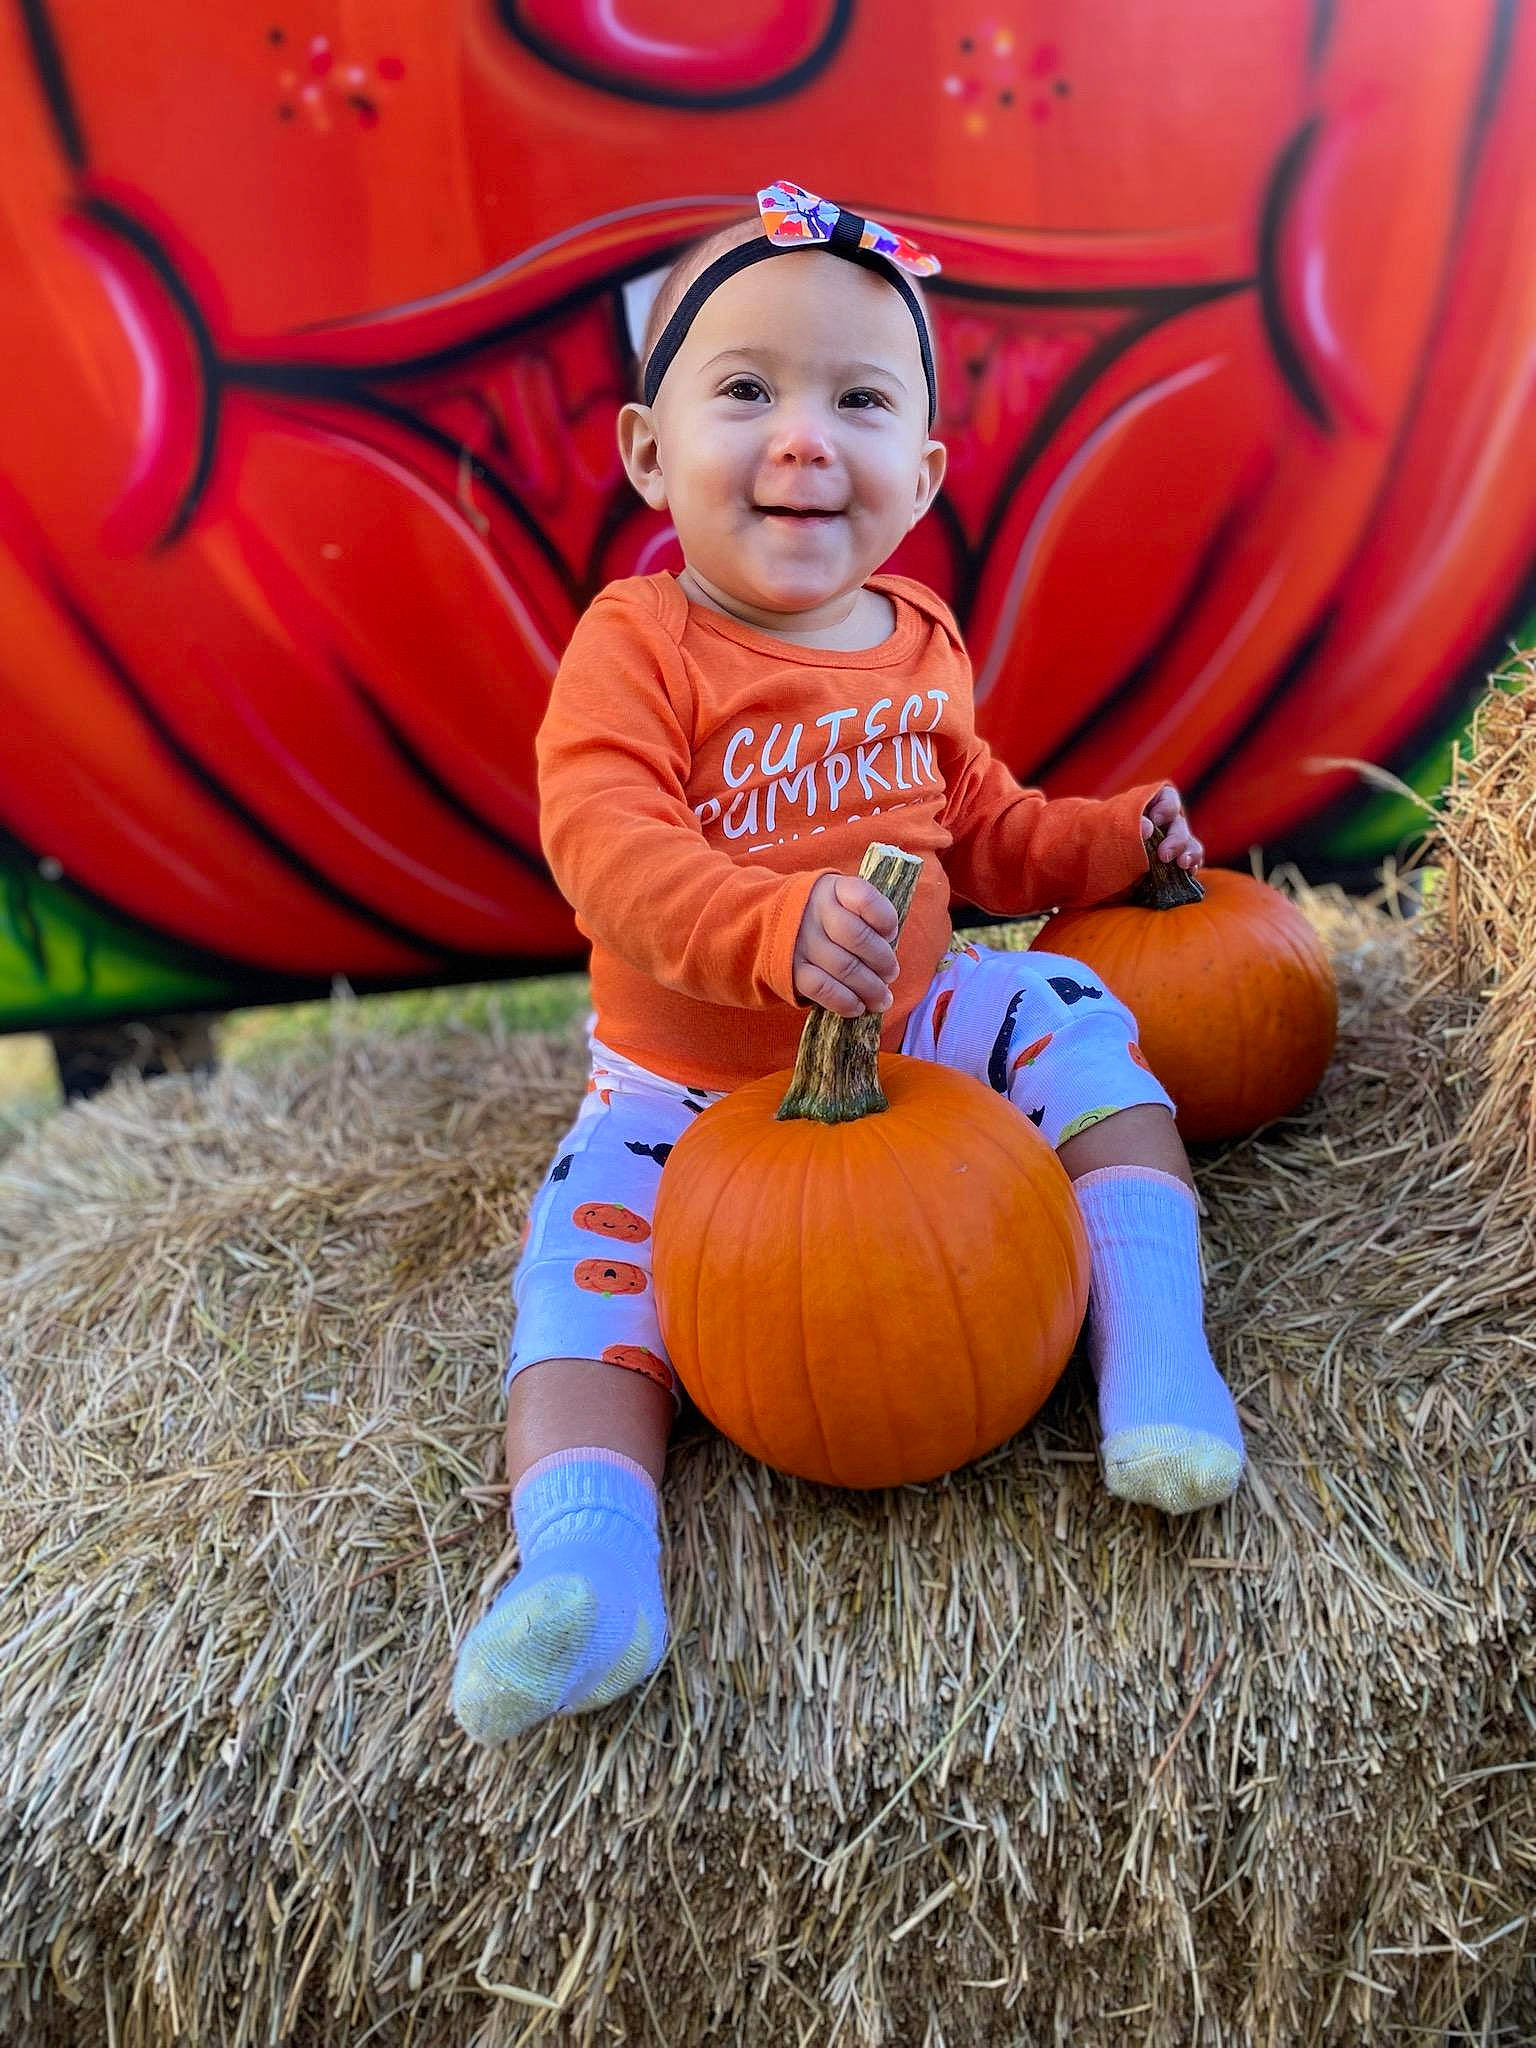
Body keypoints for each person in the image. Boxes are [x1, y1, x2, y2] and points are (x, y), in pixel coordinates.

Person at [451, 180, 1246, 1746]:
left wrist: (1102, 844)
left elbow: (983, 834)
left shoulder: (918, 636)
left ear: (924, 471)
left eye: (858, 400)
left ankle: (1157, 1360)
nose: (804, 437)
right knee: (585, 1275)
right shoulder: (642, 644)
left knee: (1084, 1016)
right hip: (696, 1084)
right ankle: (590, 1571)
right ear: (646, 451)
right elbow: (601, 841)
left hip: (921, 1026)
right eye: (745, 391)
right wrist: (769, 931)